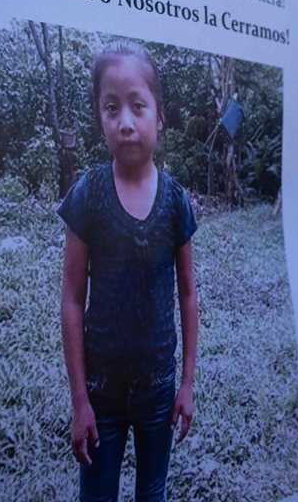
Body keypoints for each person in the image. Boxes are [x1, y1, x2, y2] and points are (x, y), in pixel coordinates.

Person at [59, 40, 198, 502]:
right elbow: (72, 300)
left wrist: (186, 384)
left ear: (159, 115)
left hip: (160, 390)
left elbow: (187, 295)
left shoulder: (176, 201)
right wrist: (81, 402)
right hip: (101, 394)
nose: (125, 122)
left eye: (138, 106)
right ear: (100, 117)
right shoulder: (88, 194)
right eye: (111, 107)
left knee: (152, 493)